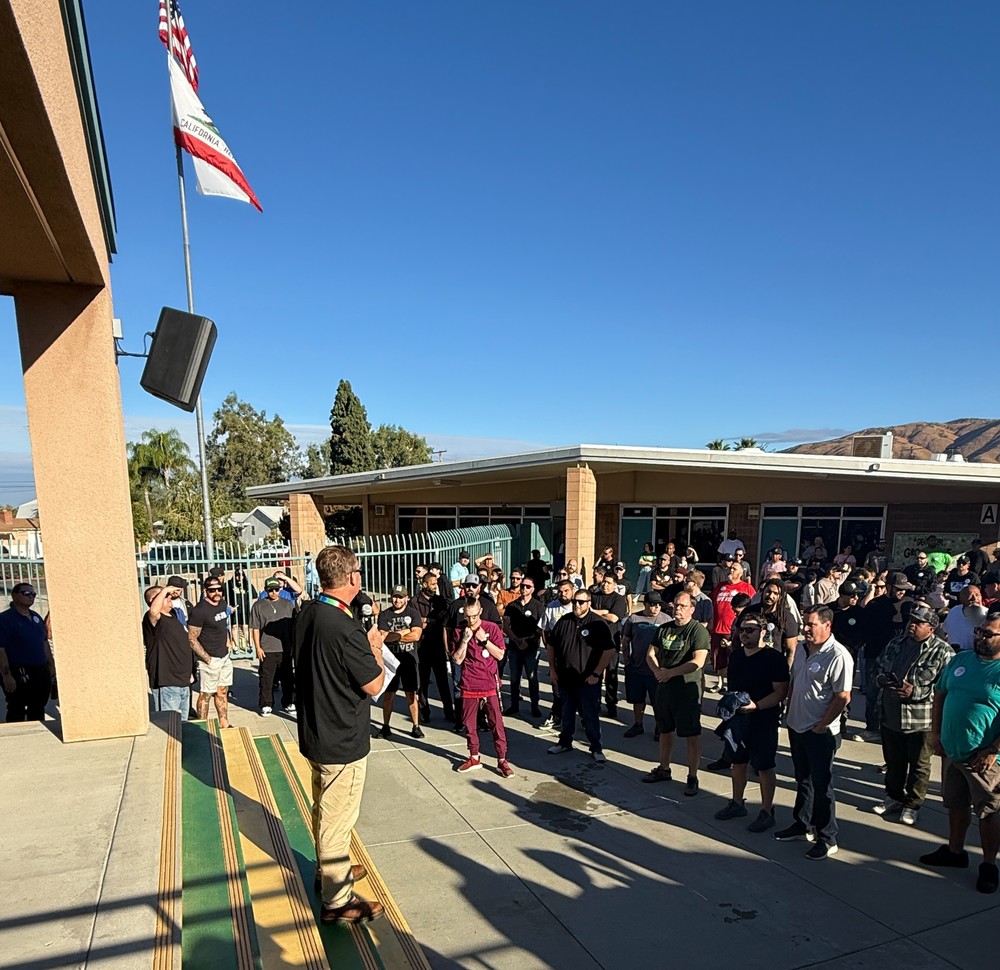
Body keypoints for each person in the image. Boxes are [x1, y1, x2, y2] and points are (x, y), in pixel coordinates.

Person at [295, 544, 386, 923]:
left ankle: (329, 870)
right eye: (359, 572)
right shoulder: (346, 627)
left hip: (315, 731)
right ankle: (338, 901)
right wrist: (375, 649)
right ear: (352, 577)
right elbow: (375, 684)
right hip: (342, 739)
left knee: (323, 808)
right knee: (337, 819)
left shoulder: (309, 613)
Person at [920, 613, 1000, 894]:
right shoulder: (961, 659)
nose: (980, 637)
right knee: (955, 804)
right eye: (979, 631)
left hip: (983, 756)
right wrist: (935, 731)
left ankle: (989, 864)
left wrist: (993, 750)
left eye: (988, 634)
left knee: (989, 810)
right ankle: (955, 852)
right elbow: (940, 693)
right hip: (951, 749)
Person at [774, 606, 853, 860]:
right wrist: (787, 709)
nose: (806, 629)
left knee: (822, 786)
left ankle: (827, 836)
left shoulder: (839, 655)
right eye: (805, 625)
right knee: (803, 779)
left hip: (820, 732)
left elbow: (842, 696)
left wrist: (821, 726)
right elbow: (796, 680)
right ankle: (802, 824)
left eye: (811, 625)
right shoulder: (801, 649)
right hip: (797, 725)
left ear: (827, 626)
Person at [872, 605, 953, 826]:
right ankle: (894, 798)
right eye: (910, 621)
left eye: (918, 622)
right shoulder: (895, 643)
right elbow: (877, 666)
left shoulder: (943, 652)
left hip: (921, 720)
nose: (912, 625)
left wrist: (915, 692)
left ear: (932, 628)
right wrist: (881, 680)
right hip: (890, 713)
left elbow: (945, 689)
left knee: (919, 764)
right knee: (894, 761)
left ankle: (913, 804)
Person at [713, 615, 790, 831]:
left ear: (763, 632)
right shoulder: (736, 655)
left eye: (750, 630)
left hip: (763, 720)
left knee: (764, 766)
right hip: (738, 720)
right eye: (742, 629)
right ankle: (737, 803)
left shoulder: (773, 658)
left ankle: (767, 811)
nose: (744, 633)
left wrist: (757, 706)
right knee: (737, 762)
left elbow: (781, 692)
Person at [641, 592, 711, 795]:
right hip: (665, 688)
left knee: (691, 734)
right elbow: (650, 654)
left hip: (687, 689)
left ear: (692, 608)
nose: (677, 609)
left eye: (682, 606)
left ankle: (692, 776)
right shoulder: (664, 629)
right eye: (675, 605)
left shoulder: (697, 631)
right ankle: (664, 768)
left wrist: (670, 672)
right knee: (664, 730)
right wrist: (658, 672)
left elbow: (698, 661)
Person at [545, 589, 616, 762]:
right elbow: (551, 645)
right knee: (567, 712)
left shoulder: (598, 623)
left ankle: (596, 748)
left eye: (581, 602)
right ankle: (564, 742)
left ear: (589, 603)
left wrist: (596, 673)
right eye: (575, 601)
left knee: (590, 715)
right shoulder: (564, 621)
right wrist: (553, 670)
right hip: (565, 678)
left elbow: (610, 650)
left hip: (588, 680)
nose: (577, 605)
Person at [451, 601, 512, 776]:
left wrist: (484, 640)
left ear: (481, 611)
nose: (472, 620)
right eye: (468, 617)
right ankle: (474, 756)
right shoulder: (459, 630)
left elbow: (500, 654)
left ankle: (502, 759)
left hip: (490, 685)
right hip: (469, 684)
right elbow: (457, 660)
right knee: (469, 725)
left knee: (496, 724)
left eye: (475, 616)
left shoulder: (491, 628)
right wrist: (464, 640)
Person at [143, 579, 197, 720]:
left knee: (183, 724)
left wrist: (189, 672)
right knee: (170, 724)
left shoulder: (173, 616)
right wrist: (165, 590)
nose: (169, 597)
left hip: (182, 680)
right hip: (167, 682)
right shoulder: (153, 620)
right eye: (164, 595)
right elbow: (154, 611)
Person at [0, 583, 54, 722]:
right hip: (18, 670)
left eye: (33, 594)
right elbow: (1, 649)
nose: (31, 597)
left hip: (40, 669)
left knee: (37, 706)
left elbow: (44, 642)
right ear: (15, 595)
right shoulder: (5, 619)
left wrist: (51, 665)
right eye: (26, 593)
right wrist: (7, 676)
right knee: (16, 706)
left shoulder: (36, 617)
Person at [377, 585, 424, 739]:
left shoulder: (413, 613)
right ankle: (385, 726)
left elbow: (416, 635)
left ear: (406, 598)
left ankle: (416, 726)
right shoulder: (384, 615)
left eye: (400, 597)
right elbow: (383, 636)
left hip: (409, 659)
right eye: (395, 597)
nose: (397, 600)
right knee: (389, 694)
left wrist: (394, 635)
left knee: (411, 694)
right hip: (391, 661)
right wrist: (404, 632)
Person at [620, 592, 670, 738]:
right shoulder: (633, 619)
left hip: (657, 671)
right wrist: (627, 661)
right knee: (637, 699)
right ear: (646, 604)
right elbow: (625, 641)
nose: (656, 607)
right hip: (636, 668)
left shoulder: (666, 620)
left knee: (658, 702)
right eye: (653, 604)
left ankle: (659, 727)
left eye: (659, 605)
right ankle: (638, 724)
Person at [188, 577, 234, 727]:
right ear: (205, 591)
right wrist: (208, 659)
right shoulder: (199, 611)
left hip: (224, 656)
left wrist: (228, 640)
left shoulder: (222, 604)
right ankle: (202, 726)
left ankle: (224, 722)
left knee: (222, 691)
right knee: (206, 694)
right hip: (210, 658)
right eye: (212, 590)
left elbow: (223, 625)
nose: (216, 592)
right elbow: (192, 639)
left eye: (219, 589)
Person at [411, 573, 454, 724]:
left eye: (436, 583)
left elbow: (443, 619)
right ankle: (424, 712)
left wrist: (427, 621)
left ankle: (449, 711)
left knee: (443, 681)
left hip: (438, 646)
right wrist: (429, 622)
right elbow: (414, 622)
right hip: (422, 647)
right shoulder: (414, 601)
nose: (435, 586)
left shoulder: (440, 601)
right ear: (424, 584)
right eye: (432, 583)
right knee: (422, 682)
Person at [250, 577, 297, 717]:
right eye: (271, 590)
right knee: (266, 678)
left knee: (288, 678)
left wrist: (294, 645)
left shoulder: (289, 604)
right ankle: (266, 704)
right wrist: (257, 647)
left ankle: (289, 702)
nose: (274, 592)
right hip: (267, 648)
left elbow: (294, 626)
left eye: (276, 589)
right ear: (266, 590)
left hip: (285, 647)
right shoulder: (258, 606)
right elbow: (255, 628)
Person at [710, 562, 755, 692]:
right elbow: (713, 603)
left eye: (734, 569)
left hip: (735, 629)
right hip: (718, 628)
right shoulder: (720, 586)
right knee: (718, 658)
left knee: (734, 659)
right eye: (730, 568)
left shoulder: (747, 588)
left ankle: (732, 684)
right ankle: (719, 683)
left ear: (741, 573)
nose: (731, 570)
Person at [503, 575, 544, 717]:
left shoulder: (538, 606)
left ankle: (535, 706)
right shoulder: (512, 606)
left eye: (527, 586)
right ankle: (514, 705)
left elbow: (541, 628)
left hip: (531, 648)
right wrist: (516, 639)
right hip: (515, 647)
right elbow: (506, 625)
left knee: (532, 678)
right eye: (522, 586)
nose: (524, 589)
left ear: (533, 589)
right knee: (514, 678)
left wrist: (527, 640)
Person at [537, 580, 575, 730]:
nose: (563, 594)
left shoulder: (577, 605)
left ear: (572, 590)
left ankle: (583, 718)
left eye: (566, 590)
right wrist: (548, 647)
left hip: (575, 654)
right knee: (557, 687)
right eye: (561, 591)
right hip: (557, 654)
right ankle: (557, 715)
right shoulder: (552, 607)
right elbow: (544, 629)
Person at [591, 573, 629, 717]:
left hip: (611, 642)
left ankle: (611, 704)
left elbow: (613, 617)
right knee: (595, 673)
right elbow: (587, 612)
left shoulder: (618, 599)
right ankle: (595, 703)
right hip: (595, 641)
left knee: (611, 674)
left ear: (615, 585)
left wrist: (595, 612)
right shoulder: (594, 596)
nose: (605, 585)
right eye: (604, 582)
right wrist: (603, 612)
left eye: (609, 583)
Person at [226, 565, 257, 649]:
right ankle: (236, 647)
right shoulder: (229, 584)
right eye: (237, 575)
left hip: (246, 609)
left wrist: (252, 607)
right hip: (234, 610)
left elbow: (254, 597)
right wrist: (228, 606)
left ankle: (250, 644)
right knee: (234, 626)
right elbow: (224, 597)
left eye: (241, 575)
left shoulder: (248, 585)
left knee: (246, 627)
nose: (239, 577)